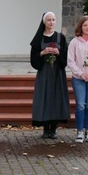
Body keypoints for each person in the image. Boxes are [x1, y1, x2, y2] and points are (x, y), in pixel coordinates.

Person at [30, 11, 70, 139]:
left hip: (57, 74)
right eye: (49, 20)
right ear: (44, 22)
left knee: (56, 99)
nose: (51, 22)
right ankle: (45, 129)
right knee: (44, 99)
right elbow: (33, 60)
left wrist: (58, 53)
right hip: (44, 74)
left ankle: (53, 129)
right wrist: (42, 53)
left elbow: (66, 59)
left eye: (53, 20)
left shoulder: (60, 37)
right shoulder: (38, 38)